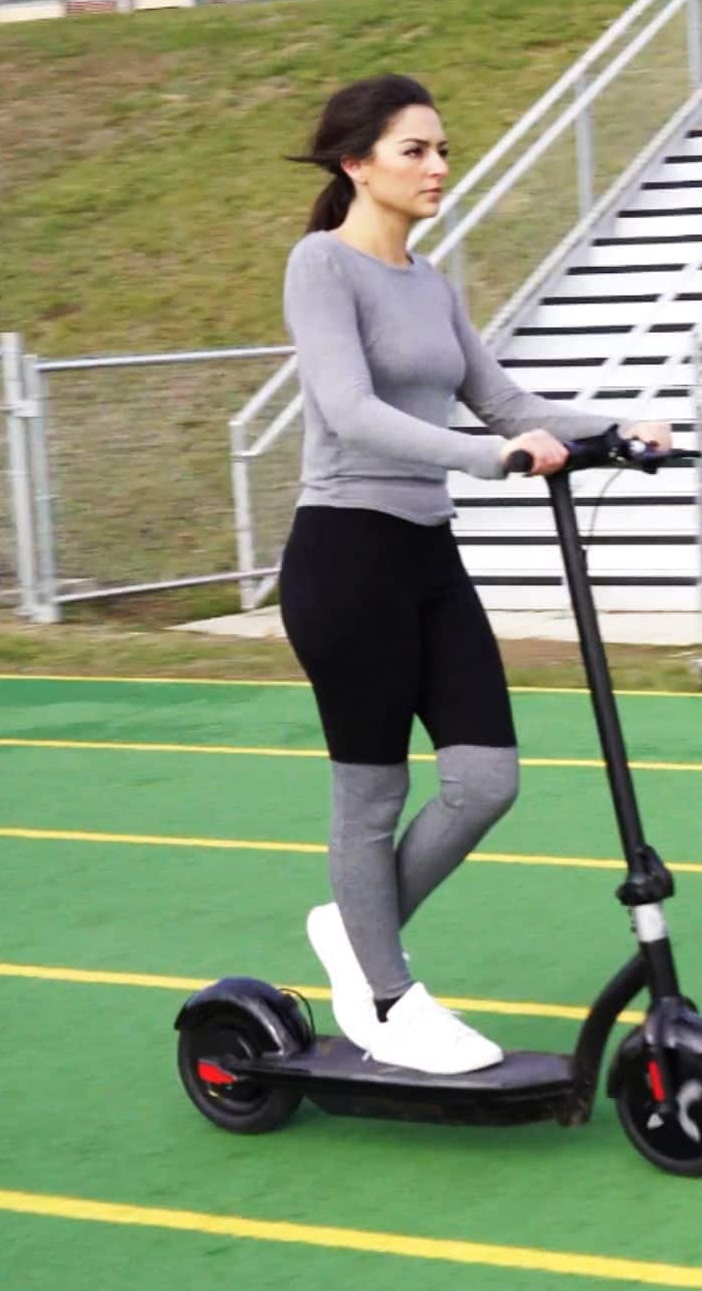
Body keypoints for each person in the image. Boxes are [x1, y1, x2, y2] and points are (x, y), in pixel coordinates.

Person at [277, 73, 670, 1075]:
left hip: (425, 556)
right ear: (355, 163)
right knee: (371, 797)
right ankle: (386, 992)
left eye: (442, 149)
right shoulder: (320, 265)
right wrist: (484, 457)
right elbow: (350, 410)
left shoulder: (429, 282)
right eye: (414, 149)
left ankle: (354, 932)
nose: (437, 166)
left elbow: (507, 404)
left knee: (485, 780)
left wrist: (618, 429)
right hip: (344, 556)